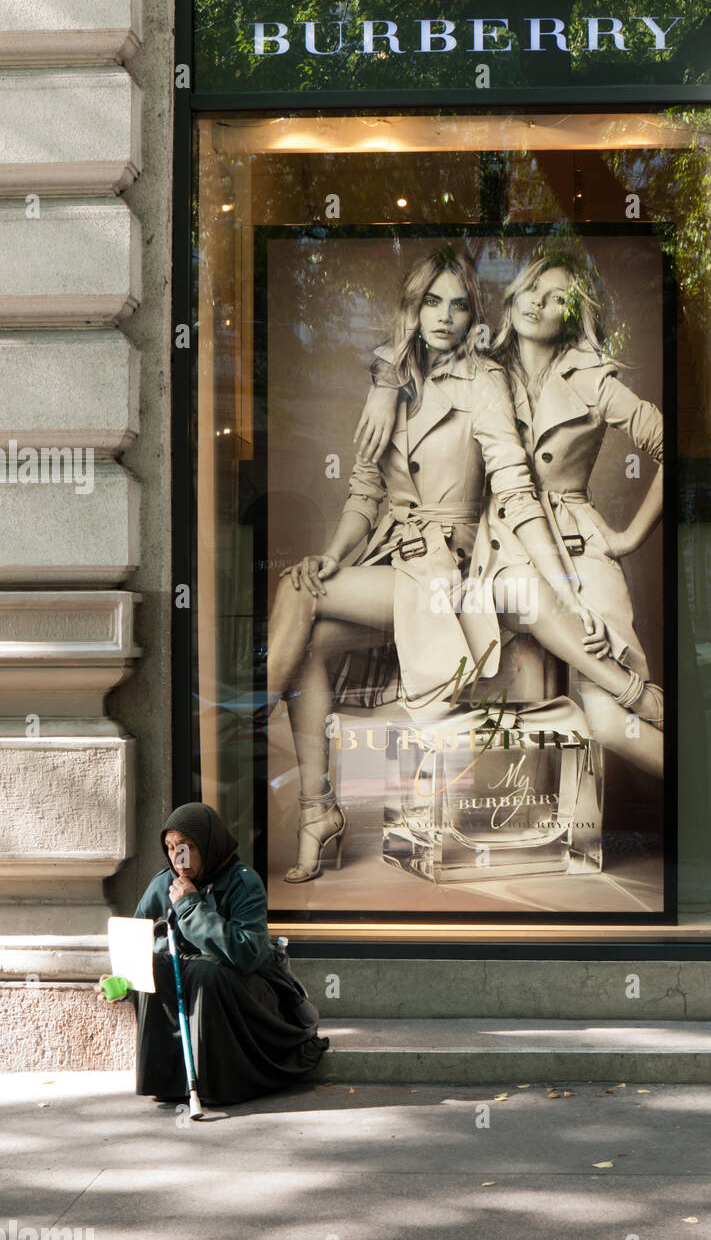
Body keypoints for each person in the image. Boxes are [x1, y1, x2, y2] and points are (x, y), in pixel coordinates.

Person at [264, 245, 610, 882]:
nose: (445, 316)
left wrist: (561, 578)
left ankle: (245, 718)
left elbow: (512, 482)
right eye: (432, 301)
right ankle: (318, 809)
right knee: (309, 625)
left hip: (446, 574)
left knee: (297, 594)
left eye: (458, 305)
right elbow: (363, 494)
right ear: (413, 308)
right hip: (388, 560)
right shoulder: (391, 383)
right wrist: (332, 557)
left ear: (472, 316)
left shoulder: (483, 380)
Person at [354, 248, 665, 778]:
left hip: (573, 549)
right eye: (530, 290)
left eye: (557, 297)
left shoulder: (591, 380)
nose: (538, 303)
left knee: (613, 725)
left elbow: (667, 441)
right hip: (500, 552)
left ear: (573, 313)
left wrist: (631, 536)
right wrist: (384, 385)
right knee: (512, 689)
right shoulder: (488, 366)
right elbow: (417, 332)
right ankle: (537, 821)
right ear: (512, 296)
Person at [102, 802, 326, 1106]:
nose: (177, 858)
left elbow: (247, 953)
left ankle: (219, 1083)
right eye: (170, 848)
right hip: (193, 987)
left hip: (247, 991)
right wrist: (123, 982)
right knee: (165, 965)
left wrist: (191, 907)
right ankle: (170, 1081)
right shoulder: (161, 885)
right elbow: (142, 950)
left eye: (187, 847)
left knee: (204, 971)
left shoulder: (243, 882)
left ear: (209, 844)